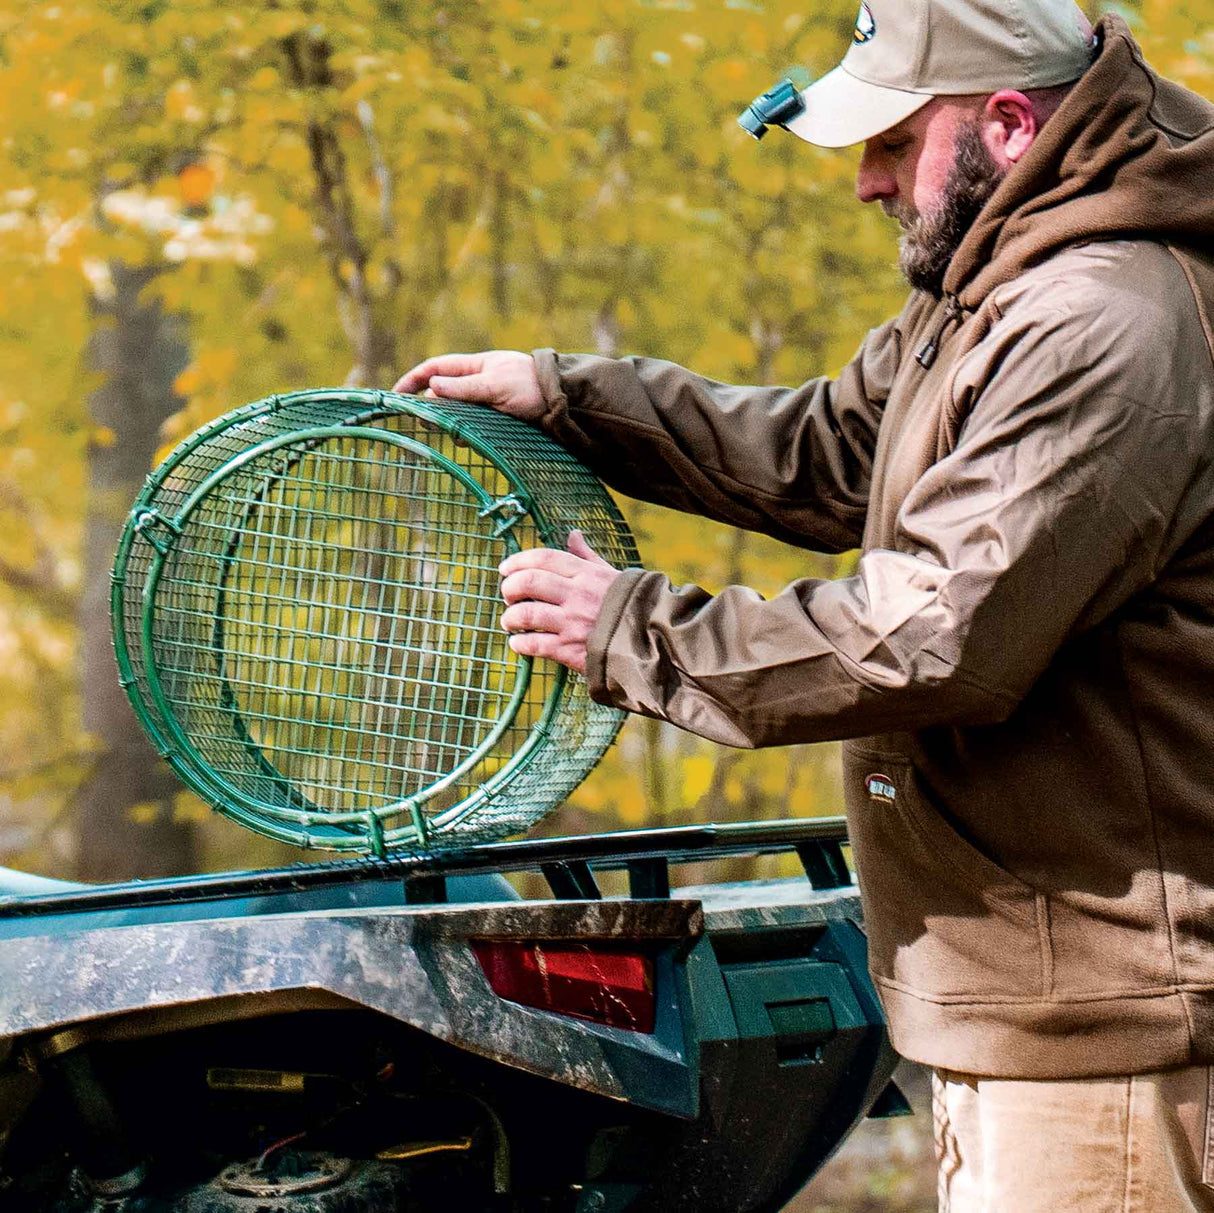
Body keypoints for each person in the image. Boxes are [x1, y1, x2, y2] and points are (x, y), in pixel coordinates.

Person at [396, 2, 1214, 1207]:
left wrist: (626, 627)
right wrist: (569, 399)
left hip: (1111, 1026)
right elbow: (834, 449)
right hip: (1043, 1009)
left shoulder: (1099, 320)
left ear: (1003, 121)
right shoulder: (1000, 275)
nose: (864, 183)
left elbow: (934, 633)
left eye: (891, 142)